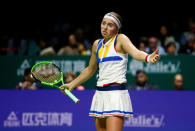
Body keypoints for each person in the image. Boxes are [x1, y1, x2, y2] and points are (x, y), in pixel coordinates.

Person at [60, 12, 160, 131]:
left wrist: (148, 58)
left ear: (117, 29)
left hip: (115, 95)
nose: (105, 27)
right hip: (100, 95)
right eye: (103, 23)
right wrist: (72, 84)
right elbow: (90, 69)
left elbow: (136, 53)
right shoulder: (96, 44)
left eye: (110, 25)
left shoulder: (120, 39)